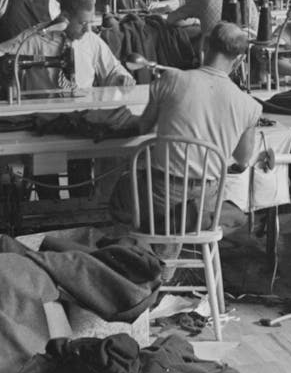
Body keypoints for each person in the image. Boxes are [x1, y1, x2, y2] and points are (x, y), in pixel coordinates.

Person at [109, 22, 262, 236]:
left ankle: (142, 252)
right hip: (207, 198)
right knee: (236, 217)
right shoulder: (250, 106)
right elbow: (243, 159)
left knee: (121, 191)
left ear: (204, 46)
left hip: (162, 195)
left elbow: (144, 127)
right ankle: (192, 222)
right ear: (238, 60)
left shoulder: (170, 80)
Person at [0, 0, 135, 97]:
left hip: (83, 112)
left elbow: (112, 69)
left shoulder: (91, 40)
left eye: (90, 23)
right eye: (83, 23)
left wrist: (122, 78)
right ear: (65, 16)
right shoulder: (34, 38)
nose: (88, 29)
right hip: (43, 115)